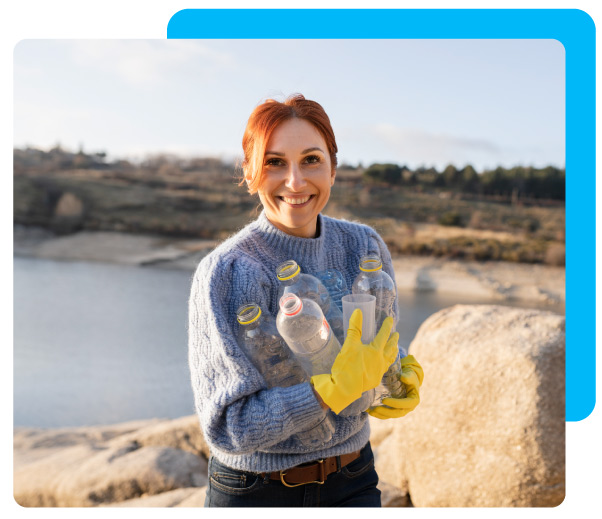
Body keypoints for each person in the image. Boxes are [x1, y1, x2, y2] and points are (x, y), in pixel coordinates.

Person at [188, 94, 424, 507]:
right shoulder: (226, 273)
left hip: (354, 477)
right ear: (250, 172)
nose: (295, 182)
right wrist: (326, 394)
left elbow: (369, 348)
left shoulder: (364, 247)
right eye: (274, 162)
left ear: (333, 167)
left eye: (311, 159)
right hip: (254, 491)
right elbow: (227, 427)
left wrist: (399, 367)